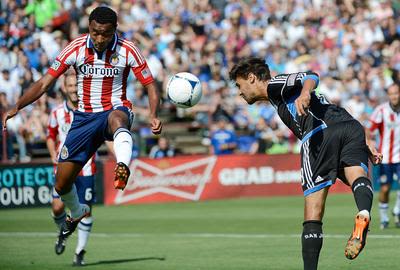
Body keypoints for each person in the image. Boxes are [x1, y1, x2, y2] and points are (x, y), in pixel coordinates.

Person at [3, 5, 162, 250]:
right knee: (61, 184)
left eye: (105, 34)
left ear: (115, 30)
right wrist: (18, 106)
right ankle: (77, 211)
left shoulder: (128, 50)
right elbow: (46, 81)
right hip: (83, 119)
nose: (99, 39)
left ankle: (123, 165)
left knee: (118, 119)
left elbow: (150, 84)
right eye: (95, 32)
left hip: (114, 108)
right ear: (88, 27)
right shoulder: (76, 47)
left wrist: (153, 114)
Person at [229, 57, 382, 270]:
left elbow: (310, 75)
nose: (239, 91)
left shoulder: (275, 85)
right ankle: (364, 213)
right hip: (350, 126)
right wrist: (365, 139)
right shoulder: (279, 98)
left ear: (252, 78)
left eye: (239, 85)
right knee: (357, 177)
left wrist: (304, 92)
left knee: (313, 213)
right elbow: (333, 110)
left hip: (318, 135)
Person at [47, 73, 96, 265]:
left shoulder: (92, 111)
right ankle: (63, 233)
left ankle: (80, 251)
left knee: (85, 211)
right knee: (57, 206)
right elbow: (50, 135)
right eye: (70, 86)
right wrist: (52, 153)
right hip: (63, 167)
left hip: (87, 168)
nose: (74, 89)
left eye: (77, 85)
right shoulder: (57, 112)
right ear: (64, 88)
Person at [368, 83, 400, 229]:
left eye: (396, 93)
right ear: (388, 95)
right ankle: (384, 218)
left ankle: (397, 210)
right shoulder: (381, 110)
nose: (394, 96)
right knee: (385, 189)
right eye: (391, 93)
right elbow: (369, 130)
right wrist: (371, 145)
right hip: (386, 157)